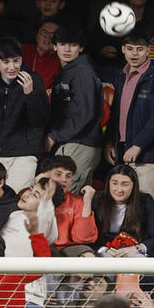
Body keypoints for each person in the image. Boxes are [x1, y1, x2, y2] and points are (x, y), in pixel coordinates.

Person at [104, 28, 154, 210]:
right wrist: (110, 142)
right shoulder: (121, 75)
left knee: (149, 209)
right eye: (130, 49)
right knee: (124, 211)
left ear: (148, 50)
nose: (134, 54)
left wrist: (139, 144)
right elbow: (116, 114)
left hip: (148, 156)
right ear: (123, 50)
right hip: (123, 152)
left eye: (140, 49)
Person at [0, 37, 48, 191]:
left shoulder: (33, 80)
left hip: (25, 154)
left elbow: (40, 120)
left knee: (17, 196)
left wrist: (30, 94)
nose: (12, 67)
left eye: (16, 61)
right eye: (6, 62)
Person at [47, 27, 103, 192]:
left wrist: (53, 136)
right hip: (72, 141)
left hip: (81, 142)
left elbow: (84, 114)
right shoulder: (69, 71)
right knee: (64, 196)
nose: (67, 49)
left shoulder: (82, 71)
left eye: (73, 45)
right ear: (55, 46)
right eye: (62, 44)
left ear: (81, 48)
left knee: (64, 195)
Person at [91, 164, 154, 257]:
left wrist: (137, 249)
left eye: (125, 184)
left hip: (134, 250)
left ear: (134, 185)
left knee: (138, 258)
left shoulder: (145, 201)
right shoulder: (97, 200)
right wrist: (105, 250)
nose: (119, 189)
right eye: (114, 183)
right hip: (105, 250)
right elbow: (87, 237)